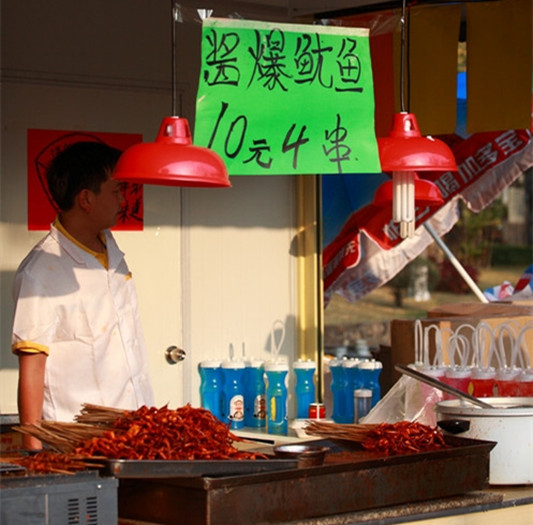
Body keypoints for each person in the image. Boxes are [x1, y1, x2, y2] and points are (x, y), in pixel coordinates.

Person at [12, 141, 154, 449]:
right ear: (86, 199)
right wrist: (33, 453)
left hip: (133, 433)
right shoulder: (41, 271)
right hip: (78, 446)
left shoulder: (110, 249)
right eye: (115, 191)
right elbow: (32, 368)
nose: (122, 199)